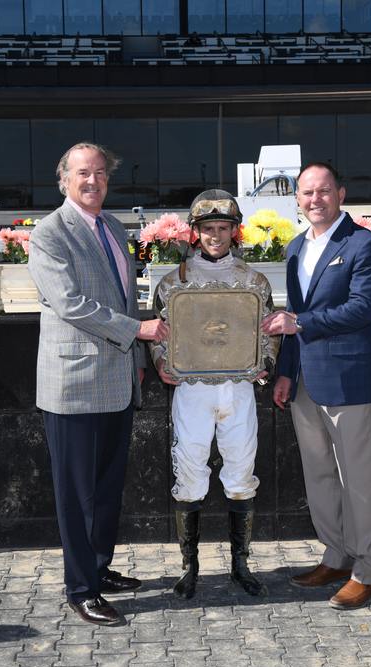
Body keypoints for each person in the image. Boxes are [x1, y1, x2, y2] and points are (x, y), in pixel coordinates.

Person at [29, 141, 169, 627]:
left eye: (101, 174)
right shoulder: (49, 233)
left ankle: (100, 568)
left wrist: (138, 354)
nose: (93, 182)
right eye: (83, 174)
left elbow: (124, 296)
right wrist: (137, 331)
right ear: (63, 178)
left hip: (117, 377)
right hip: (73, 383)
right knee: (77, 495)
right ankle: (81, 588)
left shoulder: (112, 226)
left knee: (107, 488)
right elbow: (69, 304)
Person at [261, 162, 371, 610]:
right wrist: (284, 373)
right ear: (297, 199)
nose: (315, 199)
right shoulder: (295, 248)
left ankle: (368, 569)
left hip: (350, 380)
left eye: (324, 191)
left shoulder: (365, 245)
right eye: (307, 193)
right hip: (305, 385)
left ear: (341, 193)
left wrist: (301, 323)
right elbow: (293, 315)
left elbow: (361, 309)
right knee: (319, 476)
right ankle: (336, 555)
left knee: (359, 478)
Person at [150, 189, 279, 600]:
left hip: (239, 388)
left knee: (241, 474)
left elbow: (269, 331)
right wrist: (159, 363)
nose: (216, 236)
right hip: (191, 391)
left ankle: (241, 565)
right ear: (195, 232)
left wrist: (266, 363)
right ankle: (191, 568)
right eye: (208, 229)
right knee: (189, 475)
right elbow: (159, 333)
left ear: (234, 231)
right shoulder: (173, 283)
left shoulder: (254, 282)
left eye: (223, 228)